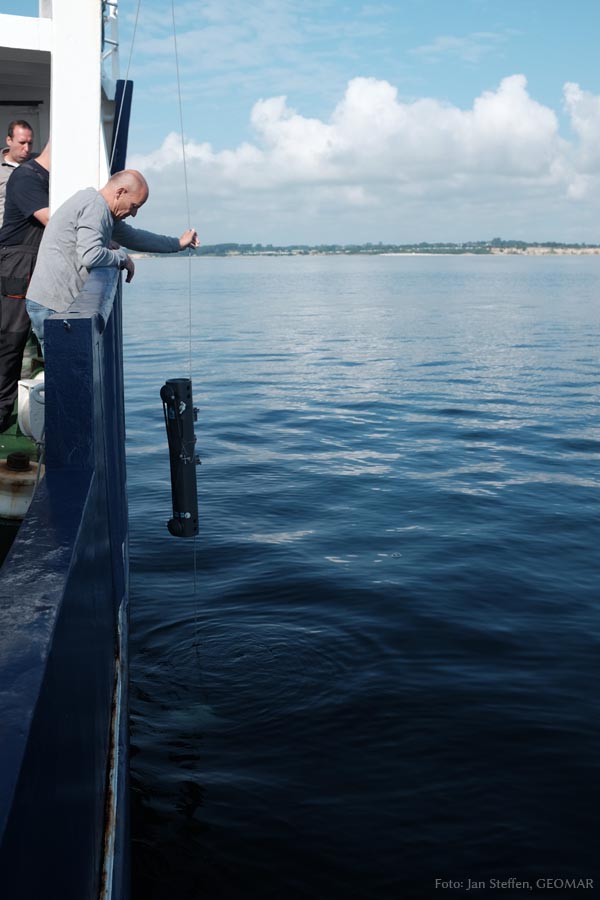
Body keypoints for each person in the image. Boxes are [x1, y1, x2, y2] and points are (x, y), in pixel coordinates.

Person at [26, 169, 198, 352]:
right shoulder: (95, 207)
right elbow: (91, 255)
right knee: (63, 373)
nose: (134, 213)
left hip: (52, 303)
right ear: (120, 192)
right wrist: (122, 257)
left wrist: (178, 243)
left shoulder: (102, 209)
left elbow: (135, 237)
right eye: (134, 206)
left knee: (66, 371)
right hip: (52, 305)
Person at [0, 141, 49, 432]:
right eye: (21, 141)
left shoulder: (40, 177)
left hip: (33, 261)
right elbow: (50, 219)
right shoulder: (26, 177)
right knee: (10, 340)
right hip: (17, 263)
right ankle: (2, 411)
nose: (26, 146)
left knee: (17, 340)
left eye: (30, 141)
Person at [0, 120, 34, 226]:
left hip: (31, 236)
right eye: (22, 143)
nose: (27, 148)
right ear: (9, 140)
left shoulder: (38, 164)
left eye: (30, 143)